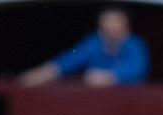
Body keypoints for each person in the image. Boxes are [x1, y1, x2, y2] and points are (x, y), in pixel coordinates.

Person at [19, 6, 150, 88]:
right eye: (107, 20)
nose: (111, 25)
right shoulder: (94, 43)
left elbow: (136, 69)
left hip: (130, 105)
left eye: (116, 21)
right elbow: (68, 61)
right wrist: (37, 75)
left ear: (126, 24)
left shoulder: (135, 44)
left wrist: (109, 77)